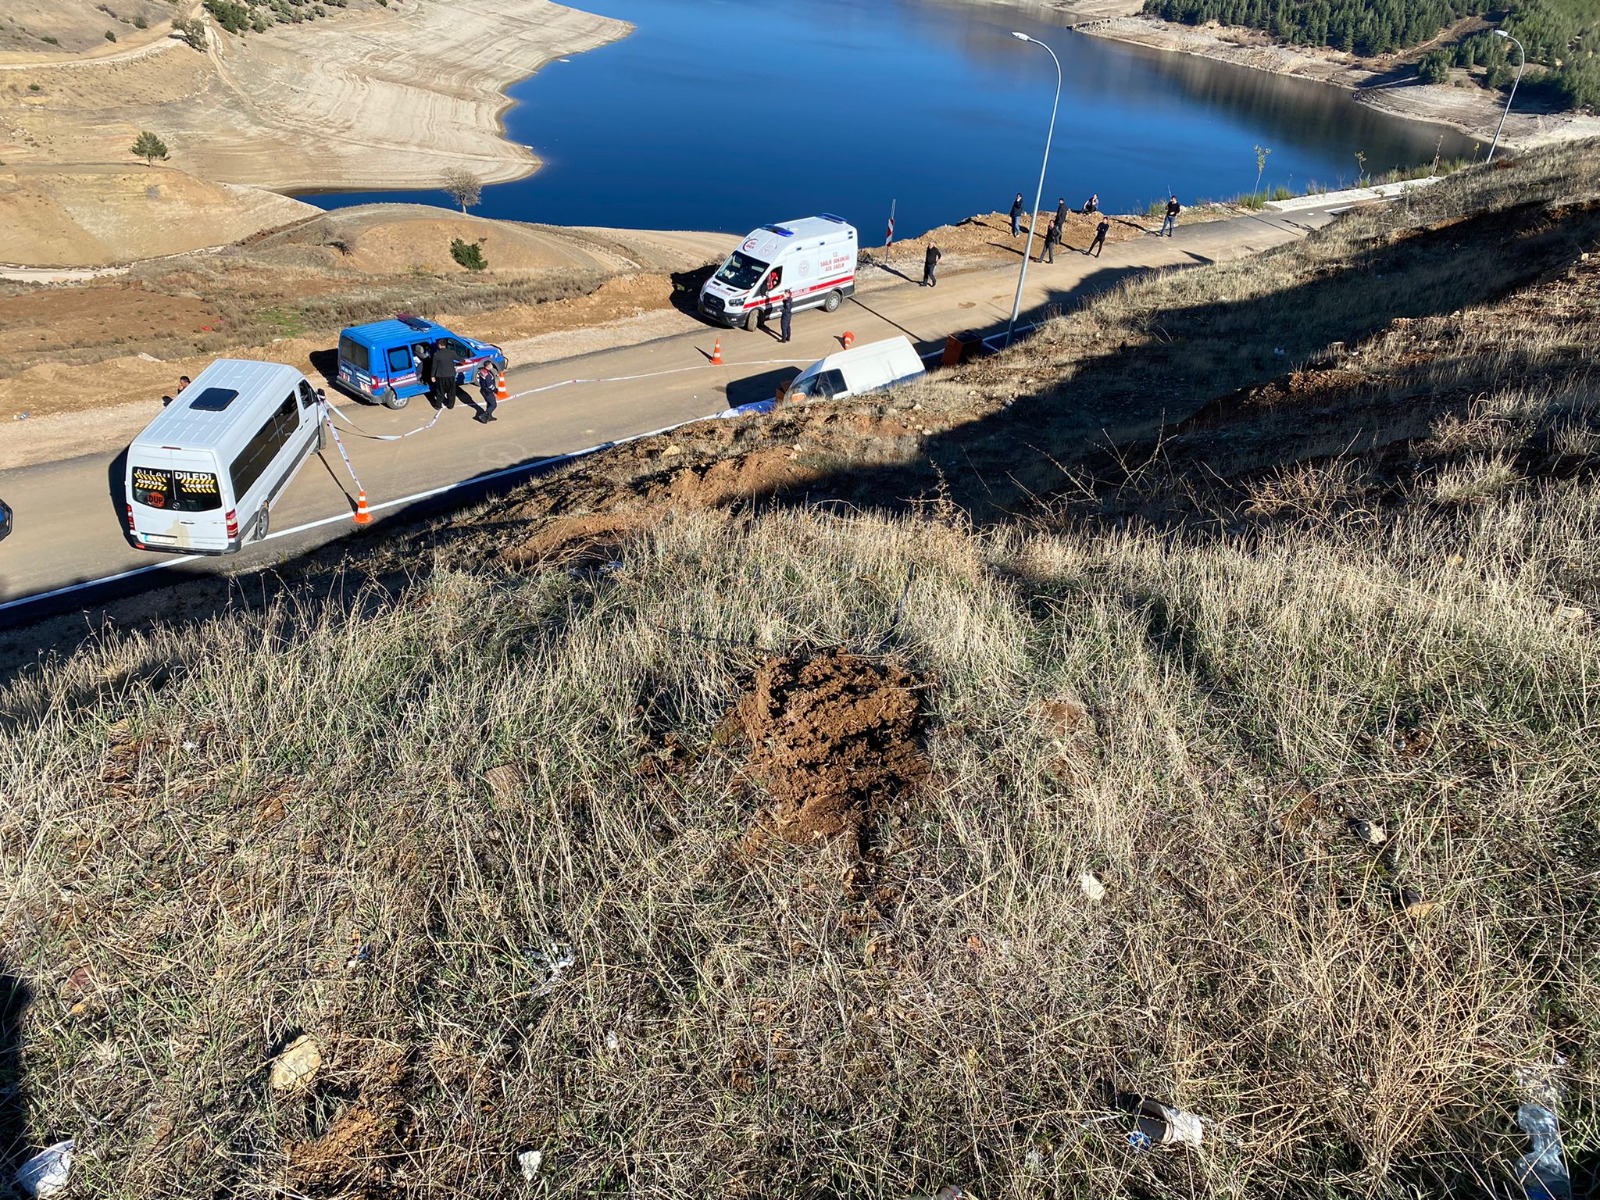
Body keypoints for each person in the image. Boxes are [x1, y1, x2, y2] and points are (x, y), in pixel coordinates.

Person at [429, 339, 458, 409]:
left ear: (439, 345)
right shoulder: (451, 352)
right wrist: (465, 360)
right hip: (451, 375)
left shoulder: (436, 355)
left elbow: (434, 366)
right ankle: (450, 405)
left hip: (441, 376)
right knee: (451, 391)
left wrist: (432, 376)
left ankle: (438, 405)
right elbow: (459, 358)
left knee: (440, 391)